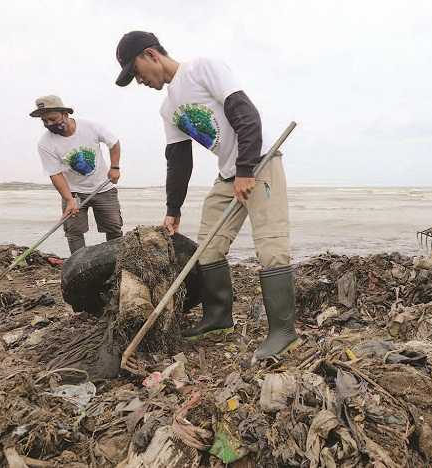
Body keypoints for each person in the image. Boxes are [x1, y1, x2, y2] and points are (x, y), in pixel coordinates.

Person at [113, 31, 299, 361]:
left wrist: (245, 169)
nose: (139, 81)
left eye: (137, 72)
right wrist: (174, 208)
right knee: (208, 248)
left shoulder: (202, 68)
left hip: (260, 163)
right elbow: (178, 159)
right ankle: (218, 318)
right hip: (230, 174)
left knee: (271, 248)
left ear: (151, 55)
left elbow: (246, 114)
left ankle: (283, 333)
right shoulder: (168, 108)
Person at [31, 96, 123, 254]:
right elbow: (55, 174)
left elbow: (114, 143)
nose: (49, 124)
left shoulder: (90, 127)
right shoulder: (45, 143)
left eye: (52, 119)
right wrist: (69, 200)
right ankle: (78, 267)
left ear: (65, 114)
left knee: (114, 228)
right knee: (74, 233)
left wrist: (115, 167)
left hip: (103, 188)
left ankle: (117, 262)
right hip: (73, 192)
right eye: (44, 121)